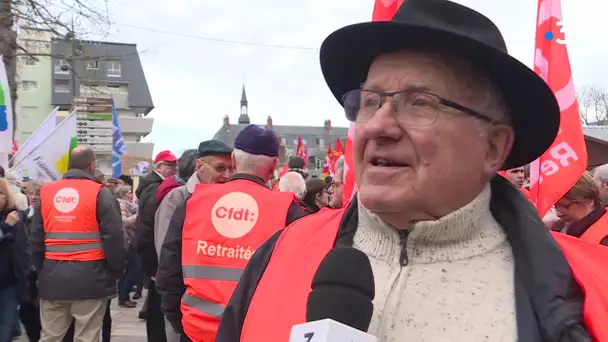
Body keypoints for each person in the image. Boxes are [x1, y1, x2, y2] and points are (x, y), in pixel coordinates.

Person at [216, 0, 601, 340]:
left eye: (419, 102)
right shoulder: (281, 252)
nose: (377, 126)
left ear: (494, 146)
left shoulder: (592, 291)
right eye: (369, 101)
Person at [157, 125, 310, 342]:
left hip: (197, 331)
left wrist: (180, 323)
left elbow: (168, 274)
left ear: (234, 160)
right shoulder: (289, 211)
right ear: (274, 166)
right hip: (255, 331)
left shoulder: (193, 203)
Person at [30, 146, 125, 341]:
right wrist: (115, 271)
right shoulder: (101, 193)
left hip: (53, 278)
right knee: (87, 337)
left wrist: (42, 272)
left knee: (50, 336)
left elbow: (36, 240)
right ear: (91, 166)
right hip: (91, 279)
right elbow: (114, 238)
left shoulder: (47, 192)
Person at [155, 140, 233, 342]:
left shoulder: (232, 199)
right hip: (185, 309)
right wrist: (175, 313)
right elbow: (166, 256)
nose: (227, 175)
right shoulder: (177, 198)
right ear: (199, 166)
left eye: (231, 169)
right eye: (220, 168)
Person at [135, 150, 177, 342]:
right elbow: (149, 227)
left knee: (155, 302)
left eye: (174, 165)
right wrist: (153, 263)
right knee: (157, 306)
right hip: (155, 256)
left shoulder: (152, 187)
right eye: (169, 165)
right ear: (159, 166)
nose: (173, 169)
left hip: (152, 255)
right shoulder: (156, 189)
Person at [0, 178, 32, 342]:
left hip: (9, 280)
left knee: (5, 329)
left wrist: (26, 273)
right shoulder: (9, 221)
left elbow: (22, 246)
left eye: (0, 193)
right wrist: (5, 228)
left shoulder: (15, 216)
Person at [550, 172, 608, 245]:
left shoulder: (604, 239)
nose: (558, 214)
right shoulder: (558, 228)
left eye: (566, 206)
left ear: (589, 199)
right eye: (555, 206)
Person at [116, 185, 139, 308]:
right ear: (123, 195)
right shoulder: (120, 205)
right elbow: (124, 222)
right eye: (129, 193)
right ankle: (123, 297)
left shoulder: (129, 206)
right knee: (132, 270)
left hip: (131, 240)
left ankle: (124, 296)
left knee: (130, 271)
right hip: (128, 242)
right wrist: (138, 216)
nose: (131, 195)